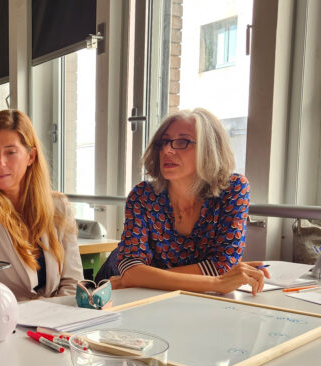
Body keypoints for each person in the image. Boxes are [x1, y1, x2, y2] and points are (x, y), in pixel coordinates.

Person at [0, 71, 83, 300]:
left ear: (31, 157)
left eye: (11, 152)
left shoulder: (58, 207)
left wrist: (55, 321)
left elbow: (72, 281)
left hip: (52, 326)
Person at [109, 108, 268, 295]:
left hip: (158, 295)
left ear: (209, 149)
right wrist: (216, 282)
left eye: (182, 142)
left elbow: (223, 264)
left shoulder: (233, 189)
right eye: (164, 142)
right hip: (134, 296)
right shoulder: (143, 195)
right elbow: (130, 270)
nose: (167, 150)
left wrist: (142, 279)